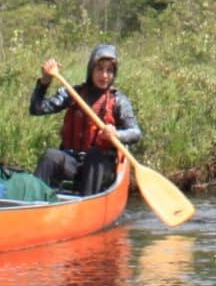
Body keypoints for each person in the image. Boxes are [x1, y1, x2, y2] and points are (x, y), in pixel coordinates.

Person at [28, 42, 142, 195]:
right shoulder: (73, 93)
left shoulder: (119, 101)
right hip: (72, 162)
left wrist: (117, 134)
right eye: (100, 69)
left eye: (109, 70)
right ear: (91, 69)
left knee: (94, 155)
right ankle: (32, 199)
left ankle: (87, 206)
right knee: (51, 156)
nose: (104, 75)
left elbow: (135, 132)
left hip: (101, 167)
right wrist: (44, 82)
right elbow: (37, 108)